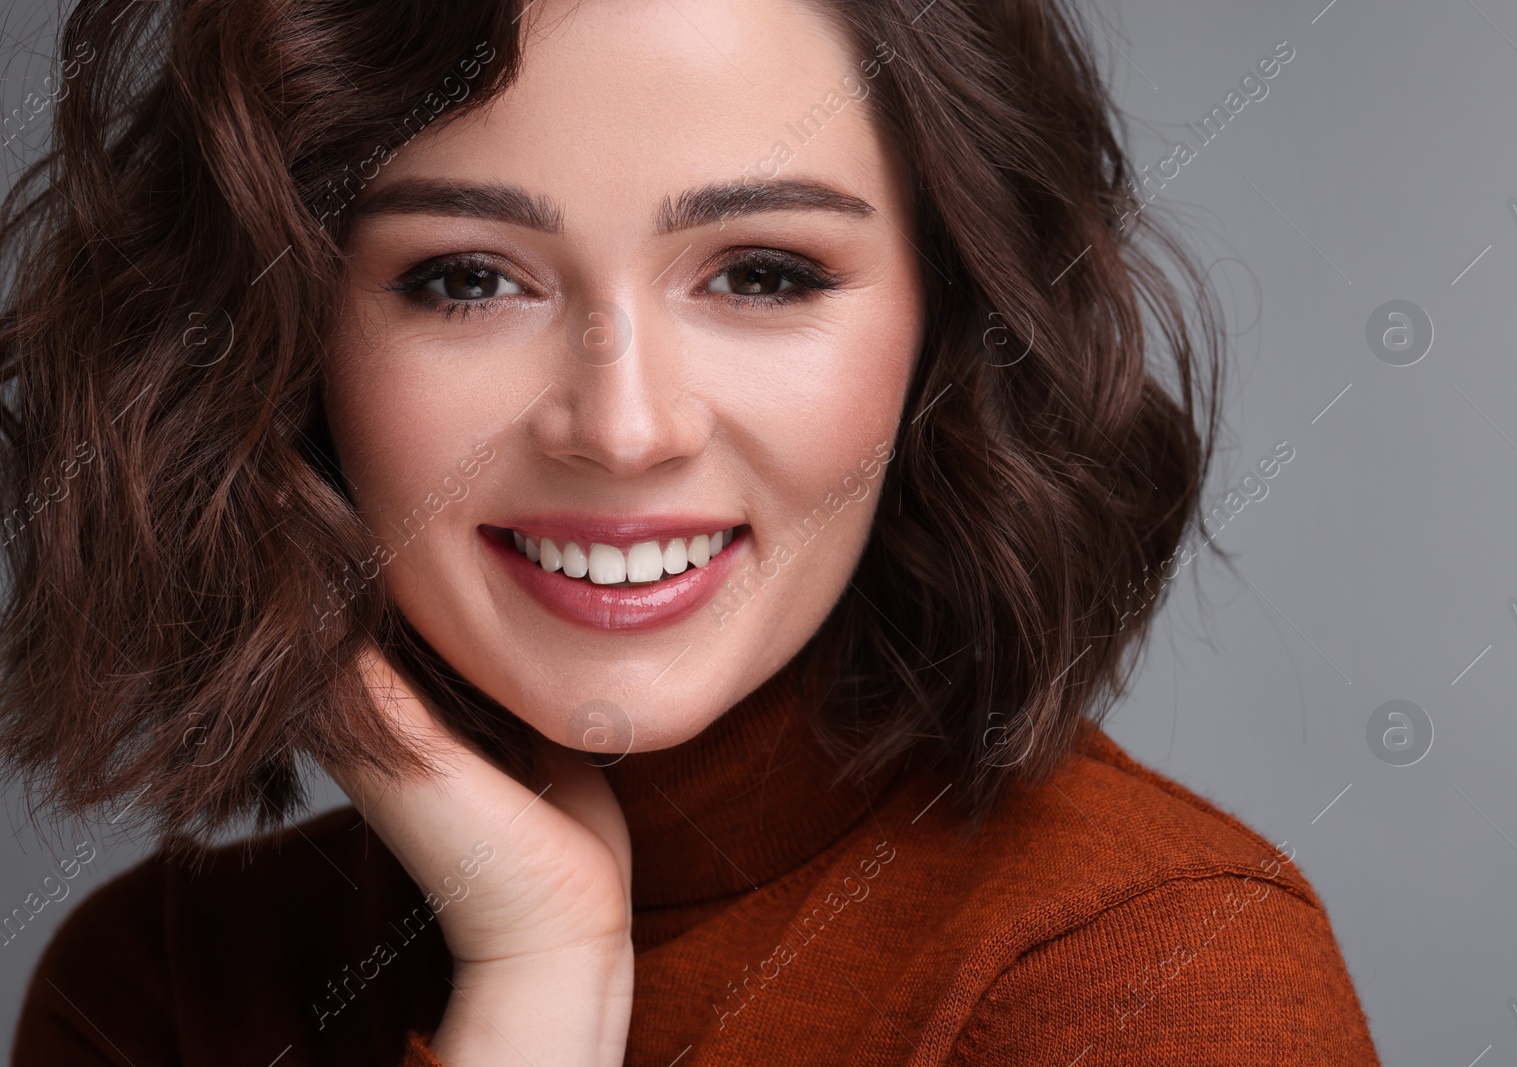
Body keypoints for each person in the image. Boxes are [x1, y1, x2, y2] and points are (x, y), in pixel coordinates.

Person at [0, 0, 1381, 1063]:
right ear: (279, 343)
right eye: (469, 279)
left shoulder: (1147, 979)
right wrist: (537, 978)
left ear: (948, 327)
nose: (622, 425)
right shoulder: (167, 994)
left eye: (763, 273)